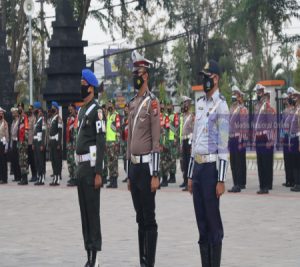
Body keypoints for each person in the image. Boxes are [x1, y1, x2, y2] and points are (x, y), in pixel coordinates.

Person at [187, 60, 229, 267]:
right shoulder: (200, 103)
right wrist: (189, 175)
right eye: (203, 76)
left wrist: (221, 179)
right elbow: (194, 141)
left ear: (216, 78)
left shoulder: (221, 105)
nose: (204, 80)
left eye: (208, 76)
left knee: (213, 223)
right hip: (199, 169)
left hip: (212, 170)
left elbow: (223, 145)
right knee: (201, 222)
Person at [127, 51, 160, 267]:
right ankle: (142, 260)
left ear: (146, 75)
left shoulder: (152, 103)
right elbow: (129, 137)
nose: (135, 76)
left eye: (138, 73)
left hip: (148, 168)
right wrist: (128, 171)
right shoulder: (132, 103)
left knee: (149, 218)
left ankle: (150, 263)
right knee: (139, 217)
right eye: (134, 72)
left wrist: (156, 174)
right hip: (134, 168)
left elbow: (156, 140)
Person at [76, 69, 105, 267]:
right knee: (84, 214)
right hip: (80, 167)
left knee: (93, 213)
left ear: (91, 87)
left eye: (83, 83)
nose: (81, 86)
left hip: (91, 168)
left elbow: (101, 142)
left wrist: (98, 173)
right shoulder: (81, 110)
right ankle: (87, 254)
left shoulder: (97, 111)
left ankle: (94, 258)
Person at [253, 85, 276, 194]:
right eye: (257, 92)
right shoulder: (256, 106)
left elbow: (271, 124)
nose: (258, 94)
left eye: (260, 92)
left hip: (265, 137)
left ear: (264, 93)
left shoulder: (267, 107)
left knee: (266, 162)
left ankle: (266, 185)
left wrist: (270, 140)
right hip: (258, 137)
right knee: (260, 162)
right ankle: (262, 185)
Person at [228, 86, 248, 193]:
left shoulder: (242, 109)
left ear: (240, 97)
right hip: (231, 138)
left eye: (236, 94)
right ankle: (236, 183)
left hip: (238, 138)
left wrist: (242, 140)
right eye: (233, 94)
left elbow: (244, 126)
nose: (234, 96)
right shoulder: (231, 108)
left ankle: (239, 184)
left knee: (239, 162)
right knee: (233, 162)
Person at [281, 90, 295, 187]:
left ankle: (293, 180)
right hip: (285, 136)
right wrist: (282, 136)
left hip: (292, 136)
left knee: (292, 159)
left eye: (286, 99)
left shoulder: (294, 110)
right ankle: (288, 179)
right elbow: (282, 125)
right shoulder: (284, 111)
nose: (285, 100)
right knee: (286, 159)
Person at [105, 99, 121, 188]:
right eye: (108, 104)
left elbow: (118, 130)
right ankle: (111, 180)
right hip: (108, 143)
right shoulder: (108, 116)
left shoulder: (116, 116)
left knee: (114, 162)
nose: (109, 106)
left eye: (110, 104)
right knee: (109, 163)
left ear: (113, 105)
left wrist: (117, 143)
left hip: (114, 143)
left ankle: (114, 182)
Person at [180, 96, 194, 191]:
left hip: (189, 141)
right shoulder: (182, 116)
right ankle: (185, 180)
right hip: (183, 140)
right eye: (184, 103)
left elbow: (193, 130)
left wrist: (192, 142)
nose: (185, 105)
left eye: (186, 103)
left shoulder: (192, 116)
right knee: (184, 162)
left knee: (189, 161)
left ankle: (189, 181)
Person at [32, 102, 47, 186]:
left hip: (40, 143)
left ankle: (42, 178)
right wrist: (34, 143)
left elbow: (44, 132)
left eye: (35, 109)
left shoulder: (43, 119)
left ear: (39, 110)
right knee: (37, 160)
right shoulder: (36, 120)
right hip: (36, 142)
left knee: (41, 161)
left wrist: (42, 144)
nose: (34, 110)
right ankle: (39, 177)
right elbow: (34, 133)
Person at [49, 101, 63, 186]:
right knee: (53, 160)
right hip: (52, 141)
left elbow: (60, 132)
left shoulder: (58, 118)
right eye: (52, 107)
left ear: (57, 109)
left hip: (56, 142)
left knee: (57, 160)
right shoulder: (52, 118)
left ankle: (57, 178)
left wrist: (59, 143)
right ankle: (54, 176)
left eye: (53, 107)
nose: (52, 109)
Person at [165, 101, 179, 184]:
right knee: (168, 158)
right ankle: (169, 175)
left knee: (173, 159)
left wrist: (175, 138)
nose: (168, 107)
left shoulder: (175, 116)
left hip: (173, 139)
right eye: (167, 106)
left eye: (169, 105)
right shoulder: (166, 116)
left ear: (172, 106)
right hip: (167, 140)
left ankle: (173, 177)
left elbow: (176, 128)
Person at [289, 90, 300, 192]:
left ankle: (298, 183)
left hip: (297, 138)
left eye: (296, 97)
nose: (294, 99)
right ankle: (297, 183)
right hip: (293, 138)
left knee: (298, 162)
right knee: (294, 162)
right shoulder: (295, 110)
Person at [17, 102, 29, 185]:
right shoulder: (19, 118)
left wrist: (24, 141)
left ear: (23, 108)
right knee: (21, 160)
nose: (19, 108)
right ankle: (22, 177)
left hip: (23, 142)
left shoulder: (25, 117)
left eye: (20, 107)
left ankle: (25, 178)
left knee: (24, 160)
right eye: (18, 107)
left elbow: (26, 129)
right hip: (20, 142)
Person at [66, 103, 77, 187]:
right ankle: (71, 176)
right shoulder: (68, 118)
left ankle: (75, 178)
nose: (70, 111)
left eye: (71, 109)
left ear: (74, 109)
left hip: (74, 142)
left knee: (74, 161)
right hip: (69, 142)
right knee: (69, 160)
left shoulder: (77, 117)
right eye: (69, 109)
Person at [10, 107, 21, 182]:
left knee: (18, 159)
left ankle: (19, 176)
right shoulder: (13, 122)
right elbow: (11, 133)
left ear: (17, 113)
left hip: (18, 141)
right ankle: (16, 176)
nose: (12, 114)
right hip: (13, 141)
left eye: (14, 113)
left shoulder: (19, 121)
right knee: (14, 159)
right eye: (12, 113)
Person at [27, 104, 38, 182]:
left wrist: (34, 142)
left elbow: (34, 131)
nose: (30, 111)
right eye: (29, 110)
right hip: (27, 141)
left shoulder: (34, 119)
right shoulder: (27, 118)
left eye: (31, 109)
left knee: (33, 160)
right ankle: (32, 174)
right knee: (30, 160)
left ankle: (35, 175)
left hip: (32, 141)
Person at [0, 107, 9, 184]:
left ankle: (4, 178)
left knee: (3, 161)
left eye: (1, 113)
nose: (0, 114)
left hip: (3, 143)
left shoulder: (5, 123)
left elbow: (7, 135)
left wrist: (6, 145)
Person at [121, 104, 129, 183]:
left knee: (129, 159)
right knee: (124, 159)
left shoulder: (131, 118)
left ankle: (130, 176)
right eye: (125, 108)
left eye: (127, 108)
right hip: (123, 141)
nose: (125, 109)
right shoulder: (123, 119)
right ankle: (128, 174)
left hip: (129, 142)